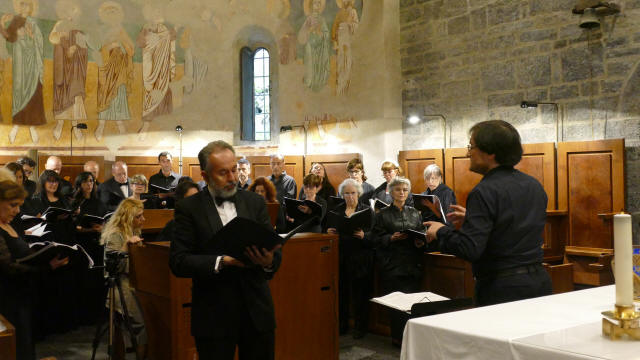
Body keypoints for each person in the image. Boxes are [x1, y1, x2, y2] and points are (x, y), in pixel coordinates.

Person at [169, 140, 282, 360]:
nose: (232, 178)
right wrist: (221, 261)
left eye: (234, 170)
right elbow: (178, 261)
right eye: (223, 173)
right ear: (205, 176)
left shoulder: (255, 202)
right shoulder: (188, 208)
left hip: (257, 313)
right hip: (214, 316)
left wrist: (268, 260)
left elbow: (275, 253)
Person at [425, 120, 552, 306]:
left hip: (503, 290)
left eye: (471, 146)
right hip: (539, 283)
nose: (468, 153)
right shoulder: (533, 184)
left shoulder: (484, 191)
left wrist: (440, 231)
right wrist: (473, 217)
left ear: (490, 152)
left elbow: (470, 248)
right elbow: (512, 225)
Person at [0, 179, 68, 360]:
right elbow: (8, 268)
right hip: (7, 298)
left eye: (19, 206)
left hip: (21, 295)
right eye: (12, 205)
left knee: (25, 343)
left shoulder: (8, 224)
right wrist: (47, 266)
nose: (17, 211)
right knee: (16, 346)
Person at [371, 176, 425, 344]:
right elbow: (374, 238)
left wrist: (419, 241)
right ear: (391, 192)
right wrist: (390, 238)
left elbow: (422, 234)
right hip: (393, 264)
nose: (402, 193)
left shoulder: (415, 213)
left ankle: (412, 340)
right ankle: (397, 339)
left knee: (413, 304)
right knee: (396, 305)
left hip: (412, 263)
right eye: (398, 189)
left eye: (405, 190)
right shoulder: (383, 214)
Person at [100, 198, 147, 359]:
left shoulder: (133, 230)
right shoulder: (115, 235)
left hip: (134, 282)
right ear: (128, 217)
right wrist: (126, 247)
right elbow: (113, 268)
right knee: (139, 325)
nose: (143, 220)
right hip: (121, 285)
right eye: (139, 216)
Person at [327, 178, 373, 339]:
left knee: (360, 296)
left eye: (353, 193)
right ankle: (342, 326)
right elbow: (329, 230)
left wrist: (364, 235)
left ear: (358, 194)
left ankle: (361, 328)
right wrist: (330, 234)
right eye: (346, 193)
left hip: (360, 258)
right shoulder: (336, 211)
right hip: (341, 257)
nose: (350, 197)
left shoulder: (366, 210)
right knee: (342, 294)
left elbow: (375, 235)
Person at [71, 171, 108, 324]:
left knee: (98, 280)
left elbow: (105, 220)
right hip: (82, 245)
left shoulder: (98, 202)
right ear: (79, 184)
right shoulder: (75, 203)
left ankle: (97, 314)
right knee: (84, 280)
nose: (89, 184)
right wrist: (90, 229)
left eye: (91, 181)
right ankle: (84, 316)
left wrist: (102, 227)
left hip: (97, 244)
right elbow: (74, 227)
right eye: (85, 181)